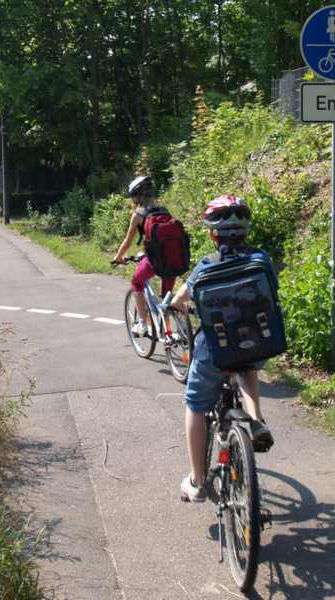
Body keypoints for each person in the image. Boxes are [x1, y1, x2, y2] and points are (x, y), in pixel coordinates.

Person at [170, 194, 276, 502]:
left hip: (214, 349)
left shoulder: (206, 267)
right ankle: (255, 420)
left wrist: (179, 307)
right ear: (246, 232)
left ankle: (197, 481)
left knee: (196, 406)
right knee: (247, 363)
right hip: (257, 341)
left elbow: (179, 300)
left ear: (211, 234)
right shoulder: (261, 258)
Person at [112, 175, 177, 335]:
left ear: (136, 196)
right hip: (173, 258)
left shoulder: (138, 215)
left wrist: (118, 257)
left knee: (136, 283)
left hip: (154, 260)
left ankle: (142, 324)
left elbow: (128, 242)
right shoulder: (164, 210)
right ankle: (179, 330)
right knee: (167, 298)